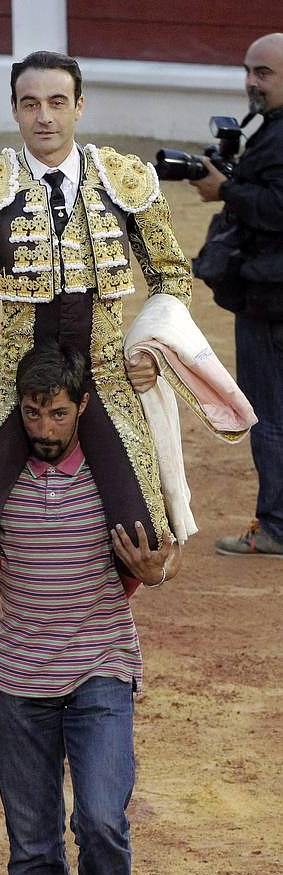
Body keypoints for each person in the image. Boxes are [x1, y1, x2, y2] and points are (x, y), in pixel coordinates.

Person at [0, 50, 194, 560]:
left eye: (57, 102)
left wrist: (156, 352)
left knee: (148, 543)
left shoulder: (124, 181)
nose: (44, 116)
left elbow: (171, 275)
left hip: (104, 377)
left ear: (79, 106)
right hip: (19, 378)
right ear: (14, 109)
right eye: (30, 103)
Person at [0, 341, 181, 875]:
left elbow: (165, 551)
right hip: (21, 679)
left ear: (84, 407)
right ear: (16, 407)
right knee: (32, 843)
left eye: (58, 412)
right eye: (31, 411)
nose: (44, 427)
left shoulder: (116, 475)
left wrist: (156, 573)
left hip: (102, 668)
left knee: (101, 823)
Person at [191, 32, 283, 557]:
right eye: (248, 70)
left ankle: (275, 527)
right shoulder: (271, 129)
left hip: (271, 298)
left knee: (269, 415)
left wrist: (224, 190)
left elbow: (278, 208)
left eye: (264, 73)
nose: (251, 81)